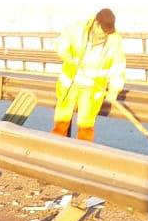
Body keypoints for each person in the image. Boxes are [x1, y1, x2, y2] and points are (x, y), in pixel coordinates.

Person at [52, 8, 126, 141]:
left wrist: (114, 89)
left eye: (108, 31)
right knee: (61, 121)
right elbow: (60, 43)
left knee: (86, 125)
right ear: (96, 23)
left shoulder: (115, 40)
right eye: (103, 30)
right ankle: (56, 147)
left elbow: (118, 67)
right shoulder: (77, 29)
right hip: (70, 83)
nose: (105, 34)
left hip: (92, 89)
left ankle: (83, 151)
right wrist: (66, 55)